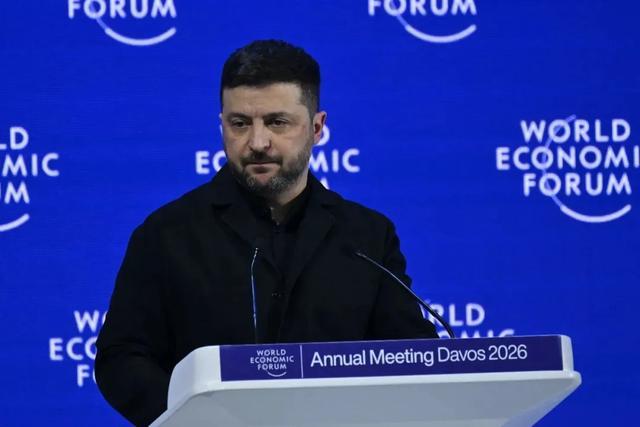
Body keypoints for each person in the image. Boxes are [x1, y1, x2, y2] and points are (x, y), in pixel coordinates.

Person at [95, 39, 437, 426]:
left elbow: (413, 359)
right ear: (221, 124)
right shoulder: (165, 234)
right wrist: (195, 421)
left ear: (317, 128)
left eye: (277, 122)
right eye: (239, 123)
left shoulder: (367, 236)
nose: (257, 143)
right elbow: (121, 358)